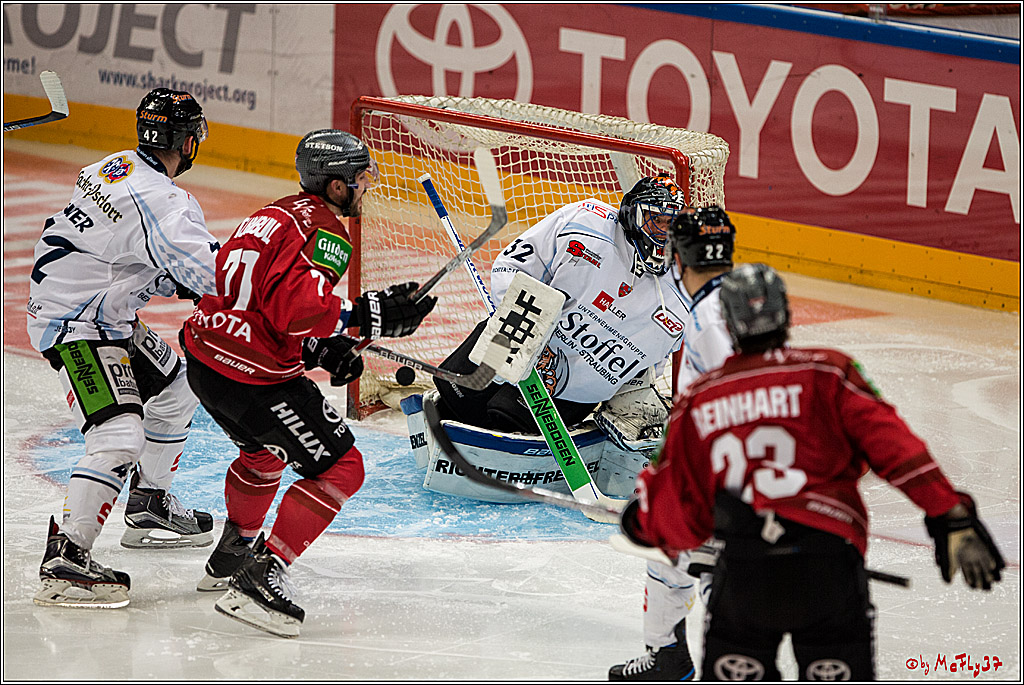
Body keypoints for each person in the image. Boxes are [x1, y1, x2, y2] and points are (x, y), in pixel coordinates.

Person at [620, 263, 1006, 681]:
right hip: (829, 564)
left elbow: (679, 509)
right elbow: (899, 451)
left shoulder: (701, 397)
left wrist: (643, 523)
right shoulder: (828, 372)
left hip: (747, 576)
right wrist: (951, 515)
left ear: (729, 325)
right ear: (786, 315)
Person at [180, 128, 437, 638]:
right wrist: (368, 316)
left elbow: (251, 299)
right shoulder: (325, 231)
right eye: (361, 178)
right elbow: (296, 312)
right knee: (343, 467)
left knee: (262, 453)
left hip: (206, 361)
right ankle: (261, 573)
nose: (367, 187)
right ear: (337, 185)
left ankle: (234, 551)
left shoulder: (271, 214)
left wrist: (318, 346)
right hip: (252, 378)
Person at [29, 88, 219, 609]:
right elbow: (211, 274)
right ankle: (66, 558)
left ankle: (150, 501)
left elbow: (117, 253)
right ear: (185, 140)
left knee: (177, 388)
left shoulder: (111, 167)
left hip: (99, 312)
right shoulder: (162, 198)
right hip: (78, 326)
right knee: (119, 436)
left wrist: (166, 279)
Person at [433, 176, 689, 437]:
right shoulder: (585, 222)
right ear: (631, 214)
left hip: (571, 387)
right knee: (455, 398)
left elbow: (663, 358)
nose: (664, 234)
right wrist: (521, 324)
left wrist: (631, 391)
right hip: (513, 342)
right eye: (657, 221)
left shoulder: (682, 288)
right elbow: (512, 265)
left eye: (672, 224)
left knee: (506, 419)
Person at [608, 206, 736, 681]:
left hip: (725, 470)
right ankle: (667, 656)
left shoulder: (707, 317)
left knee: (710, 566)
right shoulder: (730, 300)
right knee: (674, 557)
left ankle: (712, 662)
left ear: (680, 255)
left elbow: (733, 398)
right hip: (726, 463)